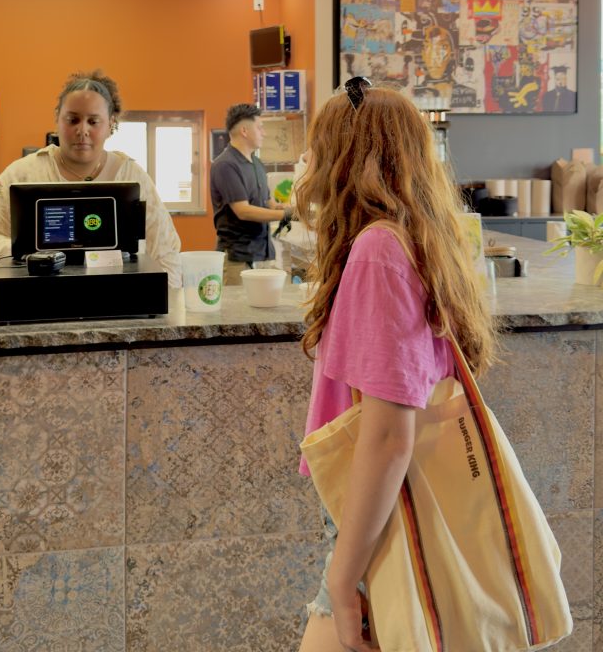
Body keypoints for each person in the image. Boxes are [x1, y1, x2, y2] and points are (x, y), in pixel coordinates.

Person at [294, 78, 496, 652]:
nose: (307, 162)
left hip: (380, 515)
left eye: (319, 147)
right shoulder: (417, 238)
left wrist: (341, 575)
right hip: (385, 508)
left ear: (345, 158)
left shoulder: (378, 251)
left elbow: (387, 436)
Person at [0, 70, 182, 287]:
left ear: (111, 124)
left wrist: (168, 305)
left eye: (93, 121)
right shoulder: (22, 174)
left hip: (118, 303)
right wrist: (32, 255)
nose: (82, 130)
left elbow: (165, 252)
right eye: (73, 120)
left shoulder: (133, 176)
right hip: (38, 301)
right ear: (57, 118)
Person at [210, 103, 293, 286]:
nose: (264, 133)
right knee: (238, 313)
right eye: (260, 127)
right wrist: (286, 214)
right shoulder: (226, 165)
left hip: (262, 253)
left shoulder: (257, 163)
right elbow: (243, 211)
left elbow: (269, 202)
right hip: (237, 257)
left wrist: (290, 208)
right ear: (245, 131)